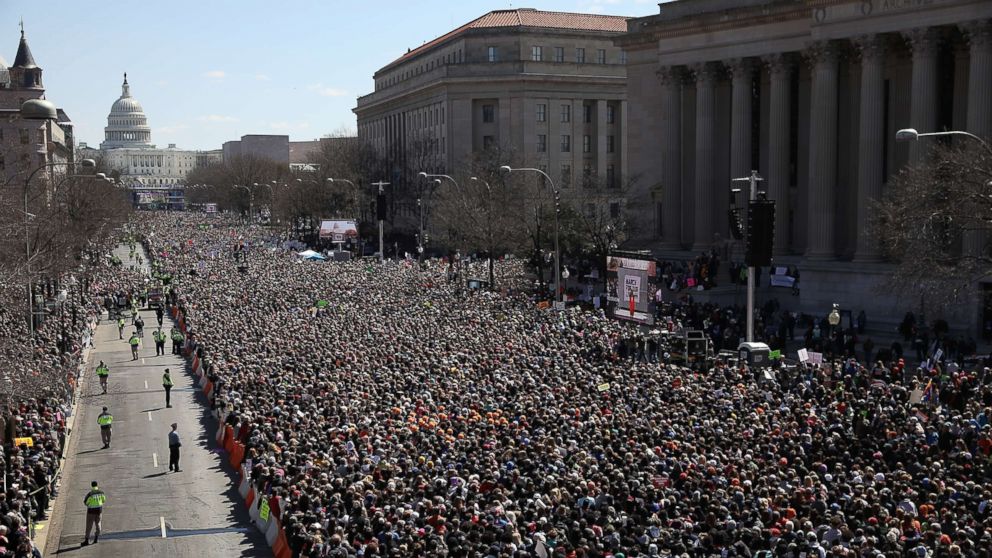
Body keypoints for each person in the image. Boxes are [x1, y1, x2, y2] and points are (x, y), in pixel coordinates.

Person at [82, 481, 106, 546]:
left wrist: (89, 505)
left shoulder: (90, 494)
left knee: (89, 526)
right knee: (98, 524)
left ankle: (87, 540)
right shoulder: (101, 493)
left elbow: (85, 502)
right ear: (97, 485)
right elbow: (104, 500)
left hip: (91, 512)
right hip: (99, 511)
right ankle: (96, 538)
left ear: (92, 486)